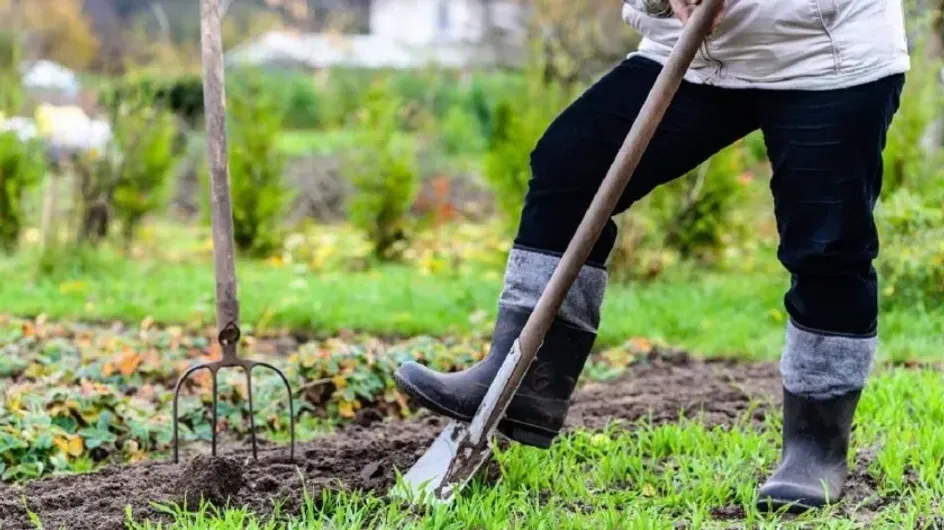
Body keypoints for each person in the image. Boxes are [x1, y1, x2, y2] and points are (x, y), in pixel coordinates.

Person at [394, 0, 909, 513]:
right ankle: (525, 378)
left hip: (824, 54)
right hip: (695, 54)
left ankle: (815, 446)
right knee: (573, 163)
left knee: (825, 243)